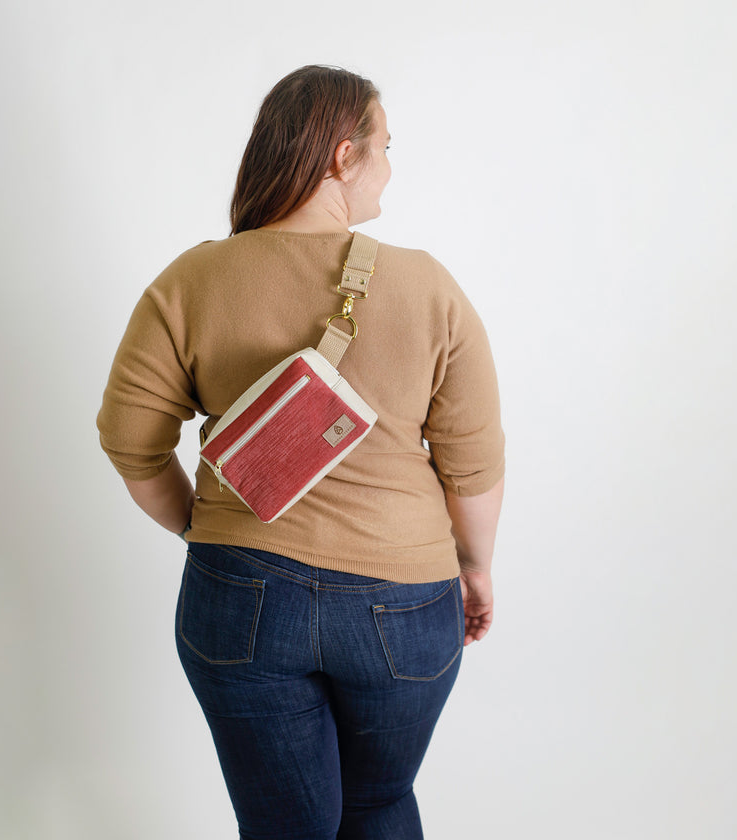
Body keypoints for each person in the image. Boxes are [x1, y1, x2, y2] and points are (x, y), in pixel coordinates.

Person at [97, 65, 505, 840]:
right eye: (384, 146)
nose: (389, 165)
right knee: (379, 802)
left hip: (239, 593)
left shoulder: (192, 280)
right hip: (406, 601)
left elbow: (129, 440)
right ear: (341, 158)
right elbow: (474, 464)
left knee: (285, 826)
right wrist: (475, 568)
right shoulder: (428, 287)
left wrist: (202, 528)